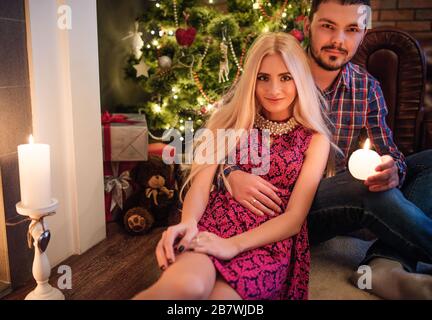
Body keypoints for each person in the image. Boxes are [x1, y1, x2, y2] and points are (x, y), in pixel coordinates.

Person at [225, 0, 432, 300]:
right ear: (308, 26)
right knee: (363, 188)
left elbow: (392, 153)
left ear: (364, 33)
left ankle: (385, 264)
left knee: (425, 163)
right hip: (285, 208)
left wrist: (392, 170)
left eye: (351, 29)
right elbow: (213, 141)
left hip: (337, 198)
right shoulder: (273, 76)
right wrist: (231, 174)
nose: (338, 40)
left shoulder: (366, 89)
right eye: (328, 26)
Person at [134, 32, 336, 300]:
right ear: (252, 79)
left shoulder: (315, 140)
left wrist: (232, 246)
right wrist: (190, 224)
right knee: (184, 287)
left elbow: (294, 219)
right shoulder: (228, 120)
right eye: (263, 77)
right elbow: (201, 184)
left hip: (266, 242)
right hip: (213, 225)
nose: (274, 90)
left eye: (285, 77)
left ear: (300, 79)